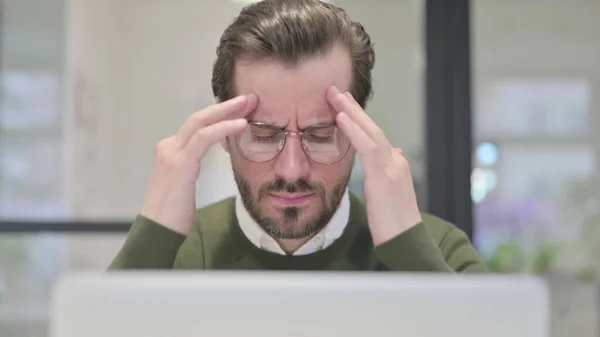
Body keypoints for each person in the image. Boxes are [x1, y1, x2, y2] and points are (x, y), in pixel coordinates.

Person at [109, 0, 487, 272]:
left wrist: (409, 253)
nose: (292, 170)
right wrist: (153, 236)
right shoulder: (170, 258)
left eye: (321, 135)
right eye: (264, 134)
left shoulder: (439, 252)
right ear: (223, 136)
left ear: (358, 134)